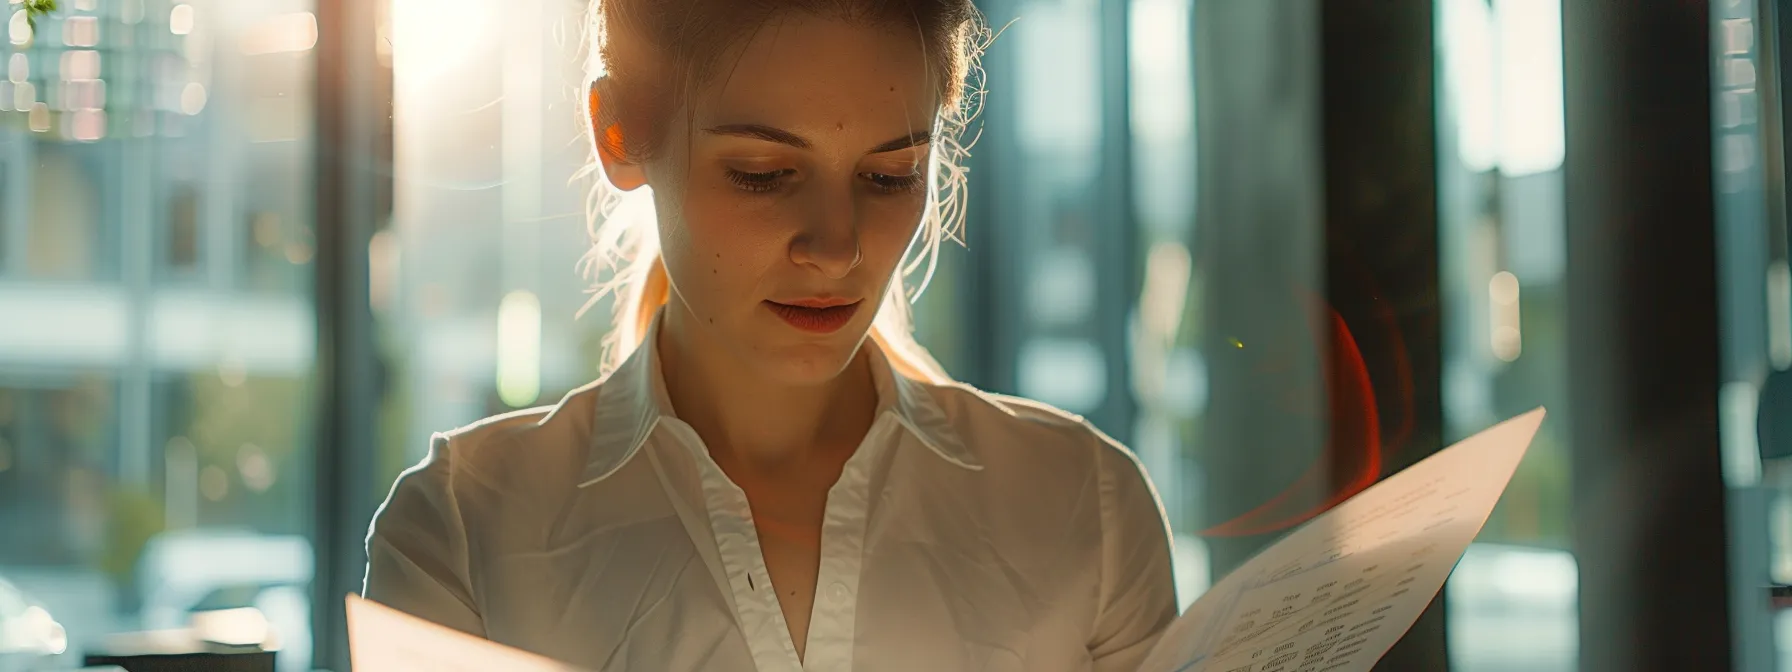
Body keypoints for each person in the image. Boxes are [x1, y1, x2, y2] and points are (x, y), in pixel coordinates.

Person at [362, 1, 1177, 669]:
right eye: (763, 173)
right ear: (617, 133)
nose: (836, 248)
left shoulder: (1084, 509)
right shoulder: (465, 532)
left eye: (889, 177)